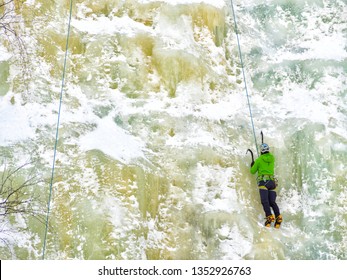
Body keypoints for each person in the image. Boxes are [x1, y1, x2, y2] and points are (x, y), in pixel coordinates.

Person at [250, 143, 282, 228]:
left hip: (264, 182)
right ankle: (278, 217)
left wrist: (252, 165)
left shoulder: (259, 160)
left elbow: (252, 171)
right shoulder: (272, 158)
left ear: (261, 151)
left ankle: (269, 217)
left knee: (265, 201)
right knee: (272, 202)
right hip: (272, 182)